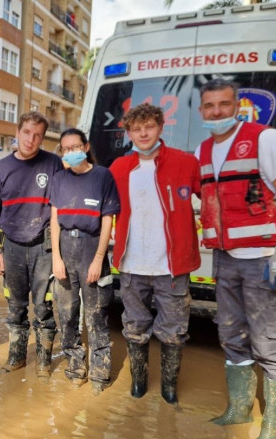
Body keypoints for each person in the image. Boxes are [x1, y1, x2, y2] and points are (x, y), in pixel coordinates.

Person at [196, 79, 276, 439]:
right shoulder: (203, 149)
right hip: (226, 260)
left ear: (237, 105)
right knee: (231, 336)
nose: (216, 112)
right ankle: (240, 409)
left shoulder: (265, 138)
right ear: (201, 111)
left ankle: (274, 426)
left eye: (224, 104)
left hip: (263, 260)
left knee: (270, 343)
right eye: (209, 106)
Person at [109, 103, 201, 404]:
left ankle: (169, 387)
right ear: (129, 134)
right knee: (135, 328)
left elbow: (212, 198)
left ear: (160, 128)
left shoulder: (186, 163)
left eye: (149, 126)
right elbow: (103, 211)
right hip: (132, 265)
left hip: (172, 267)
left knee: (174, 331)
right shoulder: (119, 168)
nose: (144, 133)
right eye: (137, 129)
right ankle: (139, 382)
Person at [0, 111, 64, 378]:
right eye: (27, 132)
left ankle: (43, 362)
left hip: (44, 246)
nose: (31, 139)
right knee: (16, 306)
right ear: (18, 132)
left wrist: (60, 253)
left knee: (44, 305)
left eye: (38, 135)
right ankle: (16, 359)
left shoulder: (53, 163)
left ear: (42, 139)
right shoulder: (0, 168)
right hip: (11, 247)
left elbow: (62, 205)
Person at [50, 128, 119, 394]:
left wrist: (99, 258)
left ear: (86, 146)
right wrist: (56, 258)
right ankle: (75, 367)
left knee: (97, 315)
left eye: (75, 147)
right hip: (65, 247)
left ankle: (100, 374)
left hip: (92, 248)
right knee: (67, 315)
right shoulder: (59, 179)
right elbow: (54, 220)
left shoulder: (103, 176)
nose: (70, 153)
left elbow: (107, 220)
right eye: (65, 149)